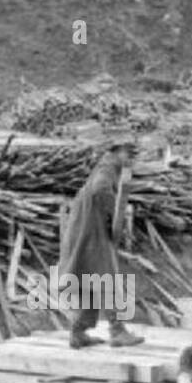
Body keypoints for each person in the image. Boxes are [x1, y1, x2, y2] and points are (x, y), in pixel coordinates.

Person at [59, 141, 144, 348]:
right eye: (128, 153)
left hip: (86, 229)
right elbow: (100, 190)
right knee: (106, 277)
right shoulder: (108, 167)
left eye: (135, 154)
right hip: (91, 231)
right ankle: (117, 331)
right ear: (116, 151)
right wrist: (115, 215)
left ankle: (78, 331)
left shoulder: (111, 166)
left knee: (91, 279)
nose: (132, 158)